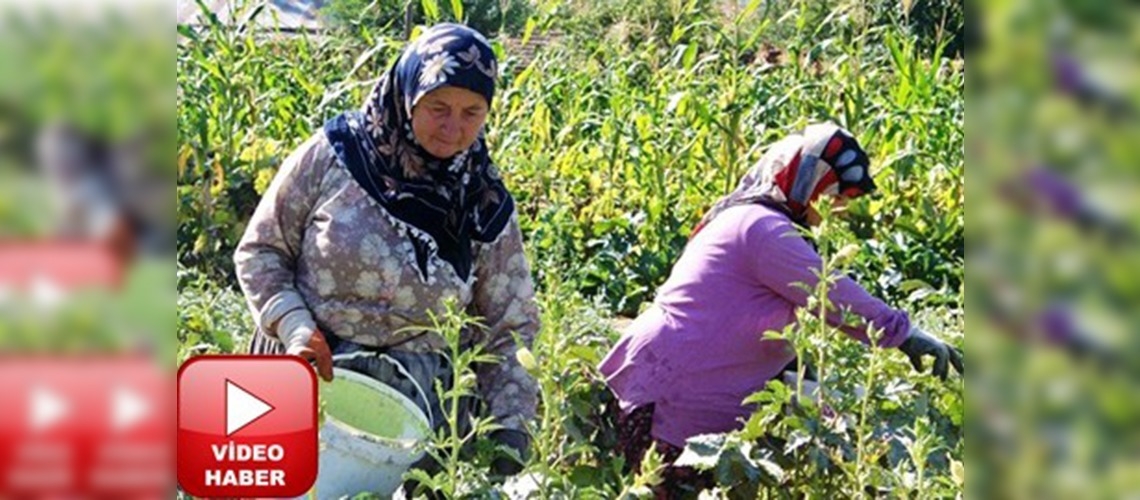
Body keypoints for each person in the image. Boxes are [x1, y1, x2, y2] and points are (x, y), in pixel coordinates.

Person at [233, 23, 538, 485]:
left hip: (411, 412)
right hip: (306, 371)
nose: (453, 128)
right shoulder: (335, 156)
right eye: (438, 107)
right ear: (407, 93)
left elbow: (509, 324)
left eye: (472, 112)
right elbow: (261, 251)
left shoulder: (482, 202)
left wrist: (511, 431)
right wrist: (296, 328)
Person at [597, 123, 963, 497]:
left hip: (667, 388)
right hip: (670, 400)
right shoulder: (762, 229)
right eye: (835, 195)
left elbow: (770, 335)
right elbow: (832, 294)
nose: (840, 210)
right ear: (810, 185)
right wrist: (905, 335)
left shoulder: (754, 218)